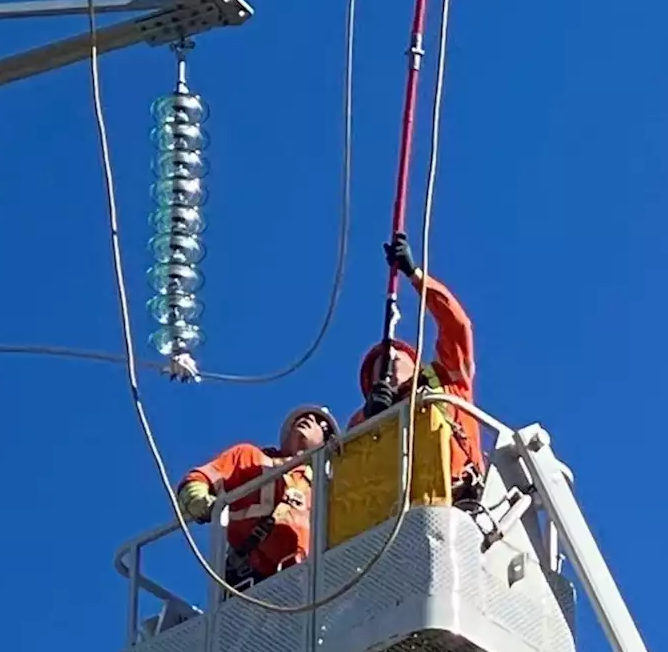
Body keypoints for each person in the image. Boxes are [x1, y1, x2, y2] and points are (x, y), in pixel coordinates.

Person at [350, 237, 485, 498]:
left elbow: (457, 326)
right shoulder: (363, 421)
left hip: (461, 493)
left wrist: (415, 275)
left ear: (416, 363)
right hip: (402, 509)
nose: (388, 362)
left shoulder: (446, 378)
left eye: (395, 356)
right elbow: (352, 469)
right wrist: (371, 418)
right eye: (379, 367)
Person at [176, 405, 339, 586]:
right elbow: (199, 479)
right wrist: (197, 499)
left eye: (320, 423)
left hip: (306, 581)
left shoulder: (327, 486)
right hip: (250, 579)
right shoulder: (251, 458)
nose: (309, 418)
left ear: (327, 441)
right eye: (302, 417)